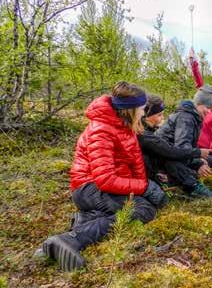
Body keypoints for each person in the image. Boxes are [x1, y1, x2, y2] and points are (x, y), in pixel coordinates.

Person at [40, 82, 167, 271]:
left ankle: (86, 219)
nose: (144, 112)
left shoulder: (123, 124)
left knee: (147, 205)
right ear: (130, 109)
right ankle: (70, 239)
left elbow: (133, 162)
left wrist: (146, 185)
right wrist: (143, 187)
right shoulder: (101, 130)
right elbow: (105, 179)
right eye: (141, 108)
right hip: (88, 188)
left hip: (105, 188)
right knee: (143, 210)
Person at [155, 85, 212, 198]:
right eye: (208, 107)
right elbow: (182, 148)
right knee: (174, 162)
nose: (209, 111)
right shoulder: (186, 117)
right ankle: (194, 187)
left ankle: (182, 181)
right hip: (160, 158)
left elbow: (185, 148)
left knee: (211, 161)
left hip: (173, 153)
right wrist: (198, 160)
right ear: (199, 104)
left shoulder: (194, 117)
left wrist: (197, 161)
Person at [138, 94, 212, 186]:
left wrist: (198, 161)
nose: (162, 118)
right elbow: (171, 151)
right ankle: (194, 186)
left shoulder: (149, 130)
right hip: (148, 173)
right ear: (146, 116)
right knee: (172, 162)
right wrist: (198, 154)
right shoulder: (145, 135)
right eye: (159, 115)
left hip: (159, 166)